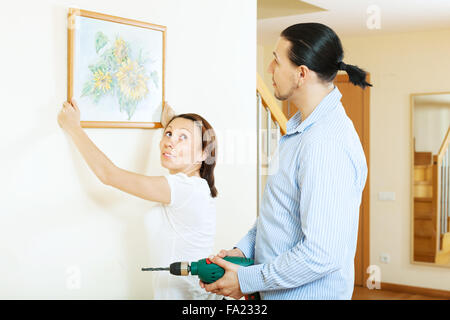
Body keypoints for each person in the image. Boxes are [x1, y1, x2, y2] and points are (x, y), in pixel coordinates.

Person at [200, 22, 370, 300]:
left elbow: (321, 254)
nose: (269, 69)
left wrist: (247, 280)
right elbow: (279, 215)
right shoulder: (298, 132)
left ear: (301, 74)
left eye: (276, 61)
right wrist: (243, 251)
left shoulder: (326, 144)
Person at [57, 100, 222, 300]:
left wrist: (74, 128)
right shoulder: (195, 187)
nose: (169, 141)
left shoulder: (185, 188)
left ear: (203, 153)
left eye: (183, 138)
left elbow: (109, 175)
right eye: (168, 134)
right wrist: (173, 123)